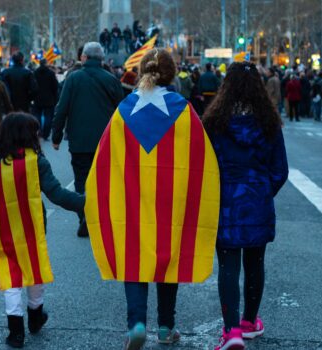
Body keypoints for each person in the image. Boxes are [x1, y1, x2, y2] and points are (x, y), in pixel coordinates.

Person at [84, 49, 220, 350]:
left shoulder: (123, 110)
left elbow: (105, 161)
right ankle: (165, 327)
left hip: (132, 199)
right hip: (171, 202)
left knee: (134, 259)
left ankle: (136, 324)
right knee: (168, 261)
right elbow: (201, 161)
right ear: (170, 74)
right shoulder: (183, 110)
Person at [202, 61, 288, 350]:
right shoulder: (269, 122)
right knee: (255, 262)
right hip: (257, 199)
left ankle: (231, 331)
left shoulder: (214, 122)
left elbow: (203, 165)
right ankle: (251, 322)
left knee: (228, 265)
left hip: (225, 200)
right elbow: (280, 170)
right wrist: (263, 191)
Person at [0, 113, 84, 348]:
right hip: (31, 227)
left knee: (11, 277)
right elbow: (57, 194)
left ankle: (15, 331)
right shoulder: (37, 162)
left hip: (2, 229)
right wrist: (87, 202)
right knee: (33, 268)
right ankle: (35, 316)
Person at [51, 42, 123, 237]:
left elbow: (62, 108)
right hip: (106, 141)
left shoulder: (73, 79)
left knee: (82, 180)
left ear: (84, 58)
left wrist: (56, 136)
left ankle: (85, 215)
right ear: (101, 59)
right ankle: (97, 216)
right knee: (102, 180)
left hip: (79, 140)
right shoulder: (111, 80)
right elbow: (122, 112)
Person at [33, 59, 59, 140]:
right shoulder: (51, 73)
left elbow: (32, 85)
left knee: (37, 115)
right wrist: (55, 97)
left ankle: (39, 130)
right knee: (48, 117)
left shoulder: (35, 72)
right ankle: (46, 134)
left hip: (37, 98)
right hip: (49, 98)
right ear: (46, 64)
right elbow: (55, 86)